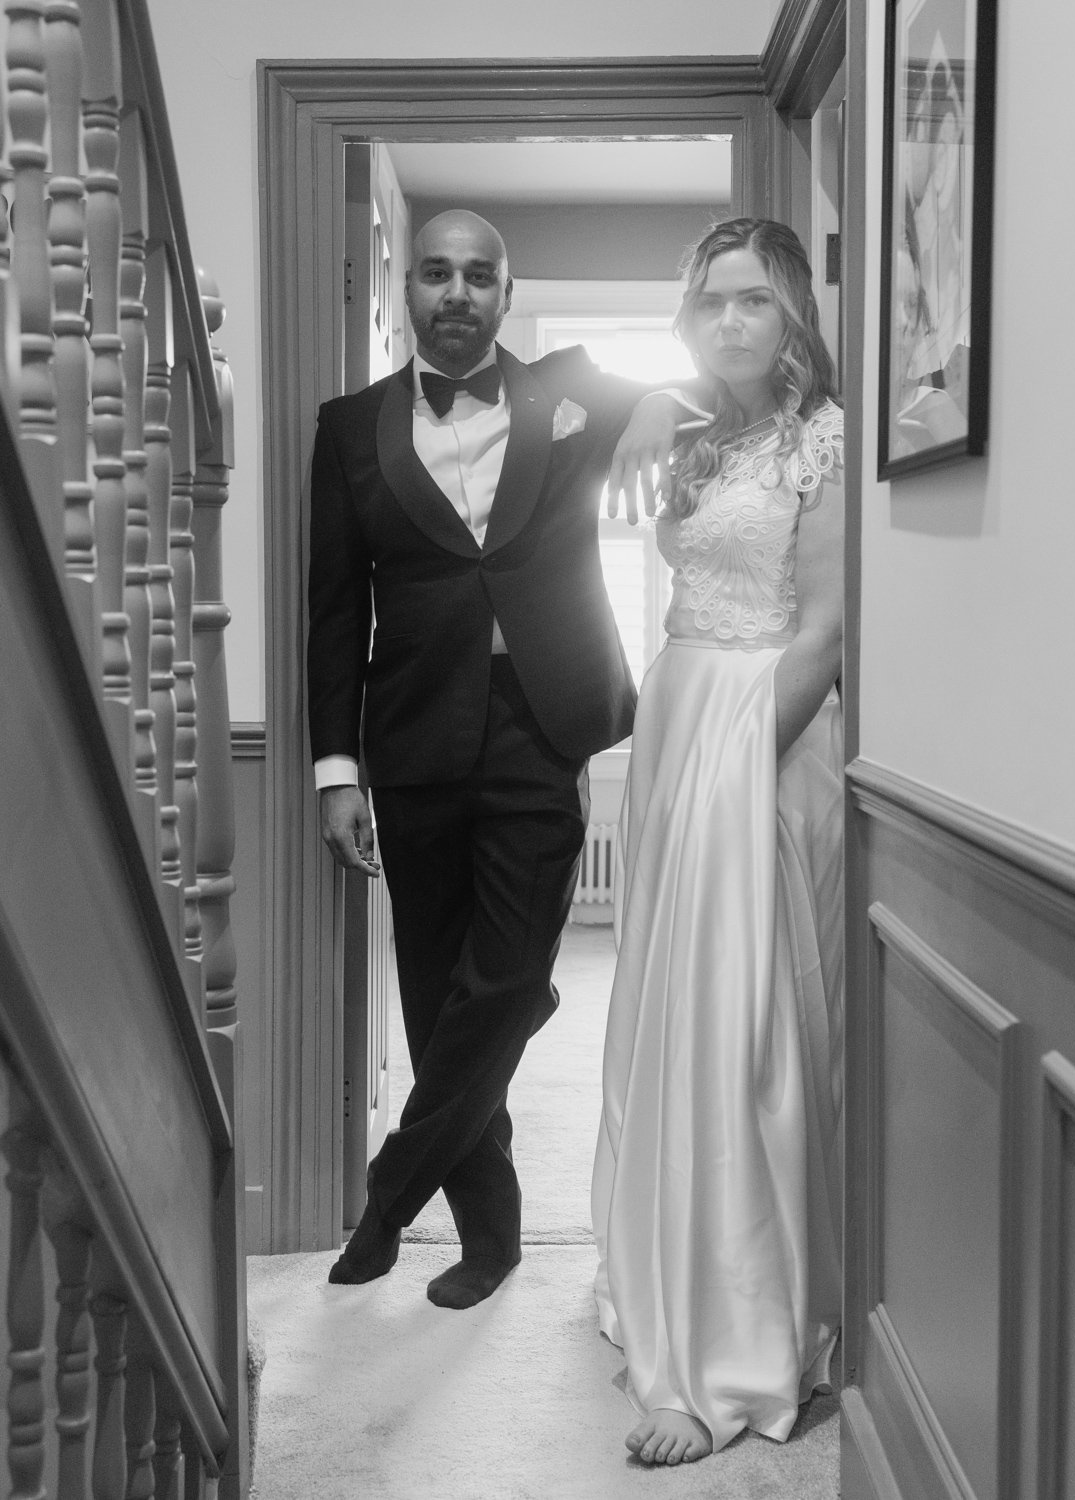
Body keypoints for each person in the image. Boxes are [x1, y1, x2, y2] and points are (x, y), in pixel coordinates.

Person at [307, 209, 705, 1310]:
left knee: (512, 977)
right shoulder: (347, 428)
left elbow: (716, 390)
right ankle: (493, 1232)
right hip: (412, 738)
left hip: (544, 725)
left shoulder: (573, 384)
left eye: (480, 275)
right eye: (436, 272)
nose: (458, 292)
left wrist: (654, 412)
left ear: (508, 291)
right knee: (440, 995)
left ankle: (389, 1193)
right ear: (407, 292)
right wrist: (335, 770)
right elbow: (334, 612)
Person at [591, 217, 844, 1463]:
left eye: (753, 302)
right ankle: (655, 1277)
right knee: (665, 1013)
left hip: (759, 734)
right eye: (708, 304)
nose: (729, 323)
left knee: (740, 1032)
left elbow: (828, 632)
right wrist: (650, 394)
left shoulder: (825, 443)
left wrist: (739, 776)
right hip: (676, 720)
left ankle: (727, 1346)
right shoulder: (696, 437)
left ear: (793, 312)